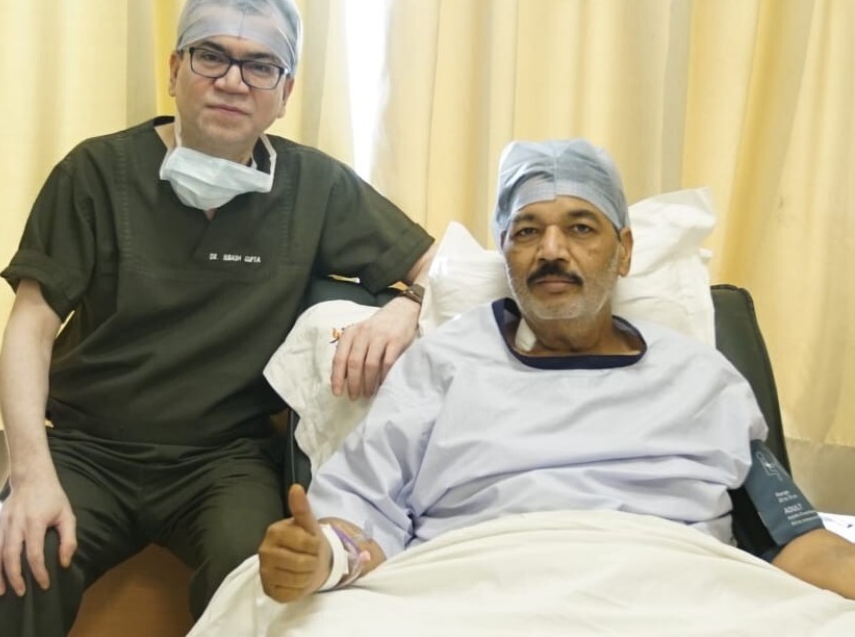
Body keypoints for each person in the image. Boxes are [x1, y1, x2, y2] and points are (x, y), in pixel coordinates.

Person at [0, 0, 435, 635]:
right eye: (211, 55)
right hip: (88, 449)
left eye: (260, 66)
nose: (232, 80)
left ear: (286, 92)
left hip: (222, 463)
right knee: (22, 564)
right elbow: (30, 326)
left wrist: (407, 307)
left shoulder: (315, 188)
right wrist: (31, 473)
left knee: (261, 584)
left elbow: (444, 269)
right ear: (174, 69)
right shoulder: (97, 174)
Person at [257, 138, 855, 604]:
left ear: (624, 251)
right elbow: (359, 514)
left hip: (678, 591)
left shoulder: (703, 380)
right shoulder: (443, 365)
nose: (550, 250)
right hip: (470, 594)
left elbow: (795, 538)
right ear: (507, 254)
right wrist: (320, 560)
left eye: (580, 227)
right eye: (526, 232)